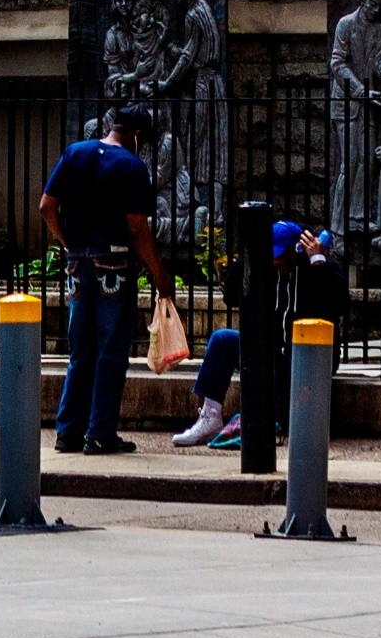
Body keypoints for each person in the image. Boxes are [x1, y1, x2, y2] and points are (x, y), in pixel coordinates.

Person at [35, 107, 172, 453]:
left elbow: (46, 206)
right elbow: (137, 229)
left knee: (80, 350)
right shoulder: (132, 166)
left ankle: (68, 431)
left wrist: (69, 243)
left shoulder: (75, 152)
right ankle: (99, 433)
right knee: (111, 349)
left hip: (77, 262)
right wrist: (159, 274)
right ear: (136, 135)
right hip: (114, 262)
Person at [172, 217, 331, 450]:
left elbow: (338, 302)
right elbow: (230, 296)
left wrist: (318, 261)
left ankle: (279, 419)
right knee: (221, 339)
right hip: (270, 350)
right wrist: (248, 253)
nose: (275, 260)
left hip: (307, 353)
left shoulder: (314, 267)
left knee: (286, 355)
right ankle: (210, 417)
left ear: (296, 249)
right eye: (271, 255)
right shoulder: (267, 269)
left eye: (280, 254)